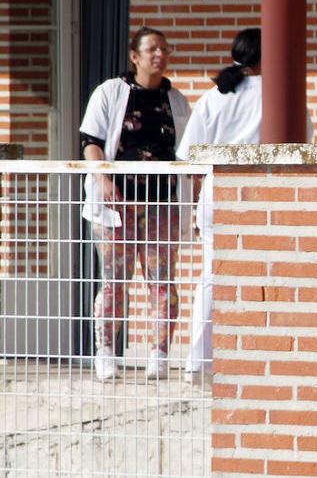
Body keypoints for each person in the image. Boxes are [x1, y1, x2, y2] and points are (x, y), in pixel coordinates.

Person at [80, 27, 190, 381]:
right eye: (152, 49)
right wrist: (104, 181)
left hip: (161, 202)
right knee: (114, 279)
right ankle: (106, 350)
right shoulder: (110, 92)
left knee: (162, 280)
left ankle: (160, 352)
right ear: (135, 56)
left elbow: (186, 150)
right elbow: (91, 141)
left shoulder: (177, 101)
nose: (160, 55)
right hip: (117, 204)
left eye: (164, 50)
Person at [175, 28, 262, 383]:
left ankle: (198, 360)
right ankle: (255, 354)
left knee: (210, 277)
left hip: (215, 191)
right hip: (261, 193)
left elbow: (188, 157)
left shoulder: (214, 96)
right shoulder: (280, 93)